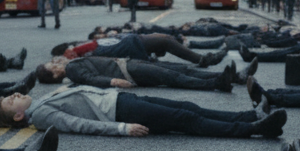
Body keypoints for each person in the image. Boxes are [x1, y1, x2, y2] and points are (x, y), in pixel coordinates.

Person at [0, 87, 287, 139]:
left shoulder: (41, 101)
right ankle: (254, 129)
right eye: (10, 101)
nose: (15, 95)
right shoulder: (41, 115)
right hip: (120, 111)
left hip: (122, 99)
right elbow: (79, 124)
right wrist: (123, 129)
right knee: (186, 120)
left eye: (11, 95)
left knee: (188, 108)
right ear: (18, 117)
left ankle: (250, 117)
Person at [36, 54, 248, 92]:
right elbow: (91, 79)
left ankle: (227, 77)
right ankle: (216, 83)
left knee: (178, 70)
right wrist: (114, 81)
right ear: (55, 75)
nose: (56, 63)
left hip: (128, 64)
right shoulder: (72, 69)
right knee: (174, 77)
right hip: (128, 70)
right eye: (52, 67)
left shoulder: (72, 66)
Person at [57, 34, 228, 67]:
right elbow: (95, 47)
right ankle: (203, 60)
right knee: (166, 41)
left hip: (132, 43)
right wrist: (74, 49)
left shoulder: (85, 50)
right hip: (133, 45)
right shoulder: (81, 51)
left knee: (168, 41)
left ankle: (202, 59)